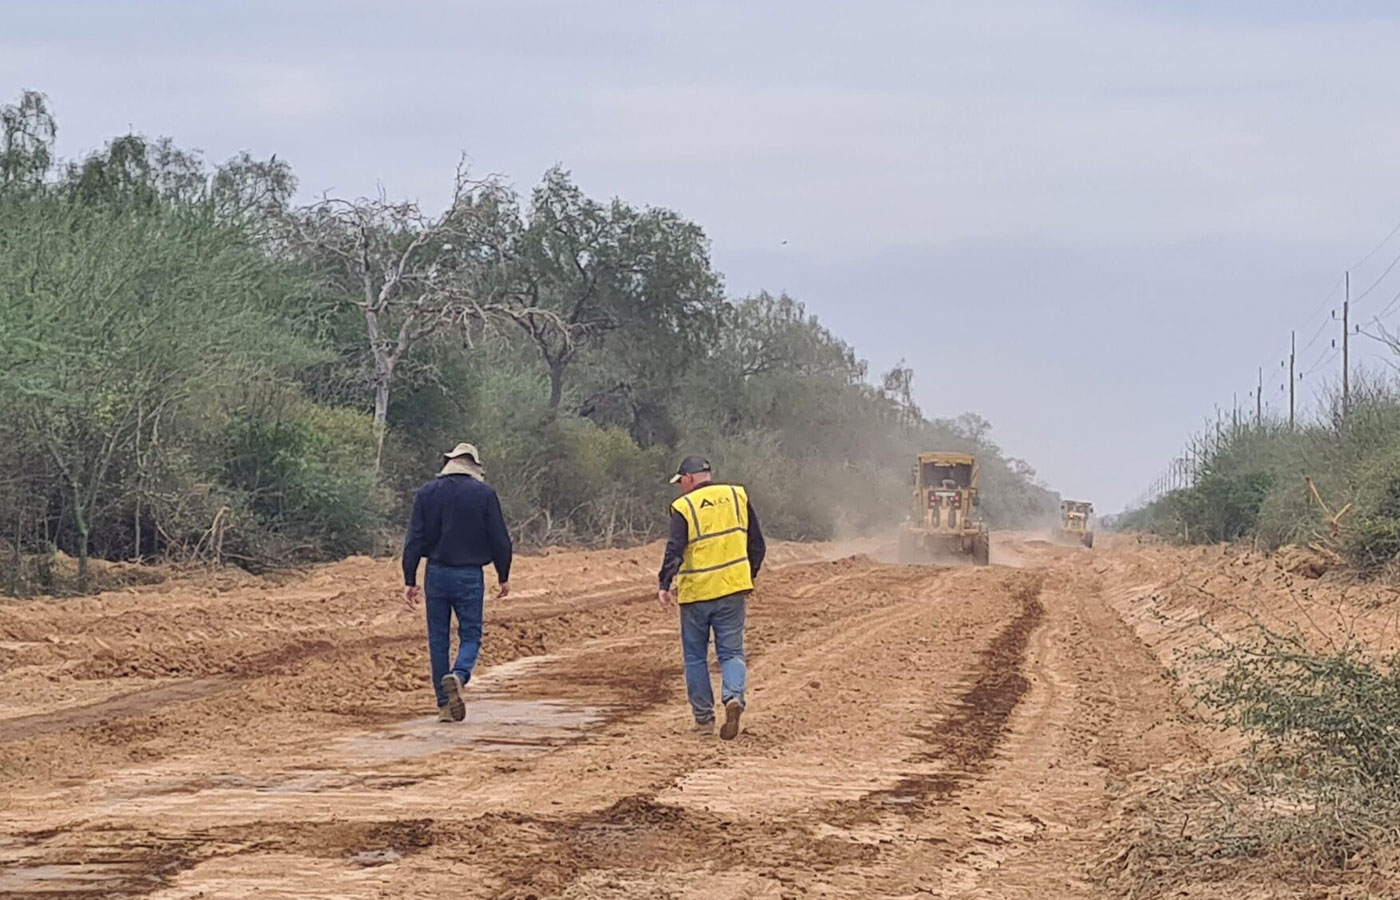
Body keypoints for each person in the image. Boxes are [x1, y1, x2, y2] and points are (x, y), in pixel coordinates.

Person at [402, 442, 513, 722]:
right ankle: (460, 675)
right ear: (474, 466)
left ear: (449, 463)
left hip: (436, 574)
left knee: (438, 638)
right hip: (469, 575)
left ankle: (444, 705)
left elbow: (414, 539)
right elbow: (500, 539)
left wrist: (409, 579)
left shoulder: (427, 493)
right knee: (471, 634)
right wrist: (503, 575)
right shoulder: (484, 494)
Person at [657, 456, 765, 740]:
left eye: (681, 481)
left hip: (697, 594)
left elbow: (675, 549)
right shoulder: (736, 495)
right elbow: (757, 544)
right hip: (732, 590)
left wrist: (664, 582)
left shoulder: (684, 507)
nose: (680, 486)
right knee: (731, 652)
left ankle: (704, 721)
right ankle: (733, 698)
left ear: (690, 479)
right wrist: (747, 576)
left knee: (695, 658)